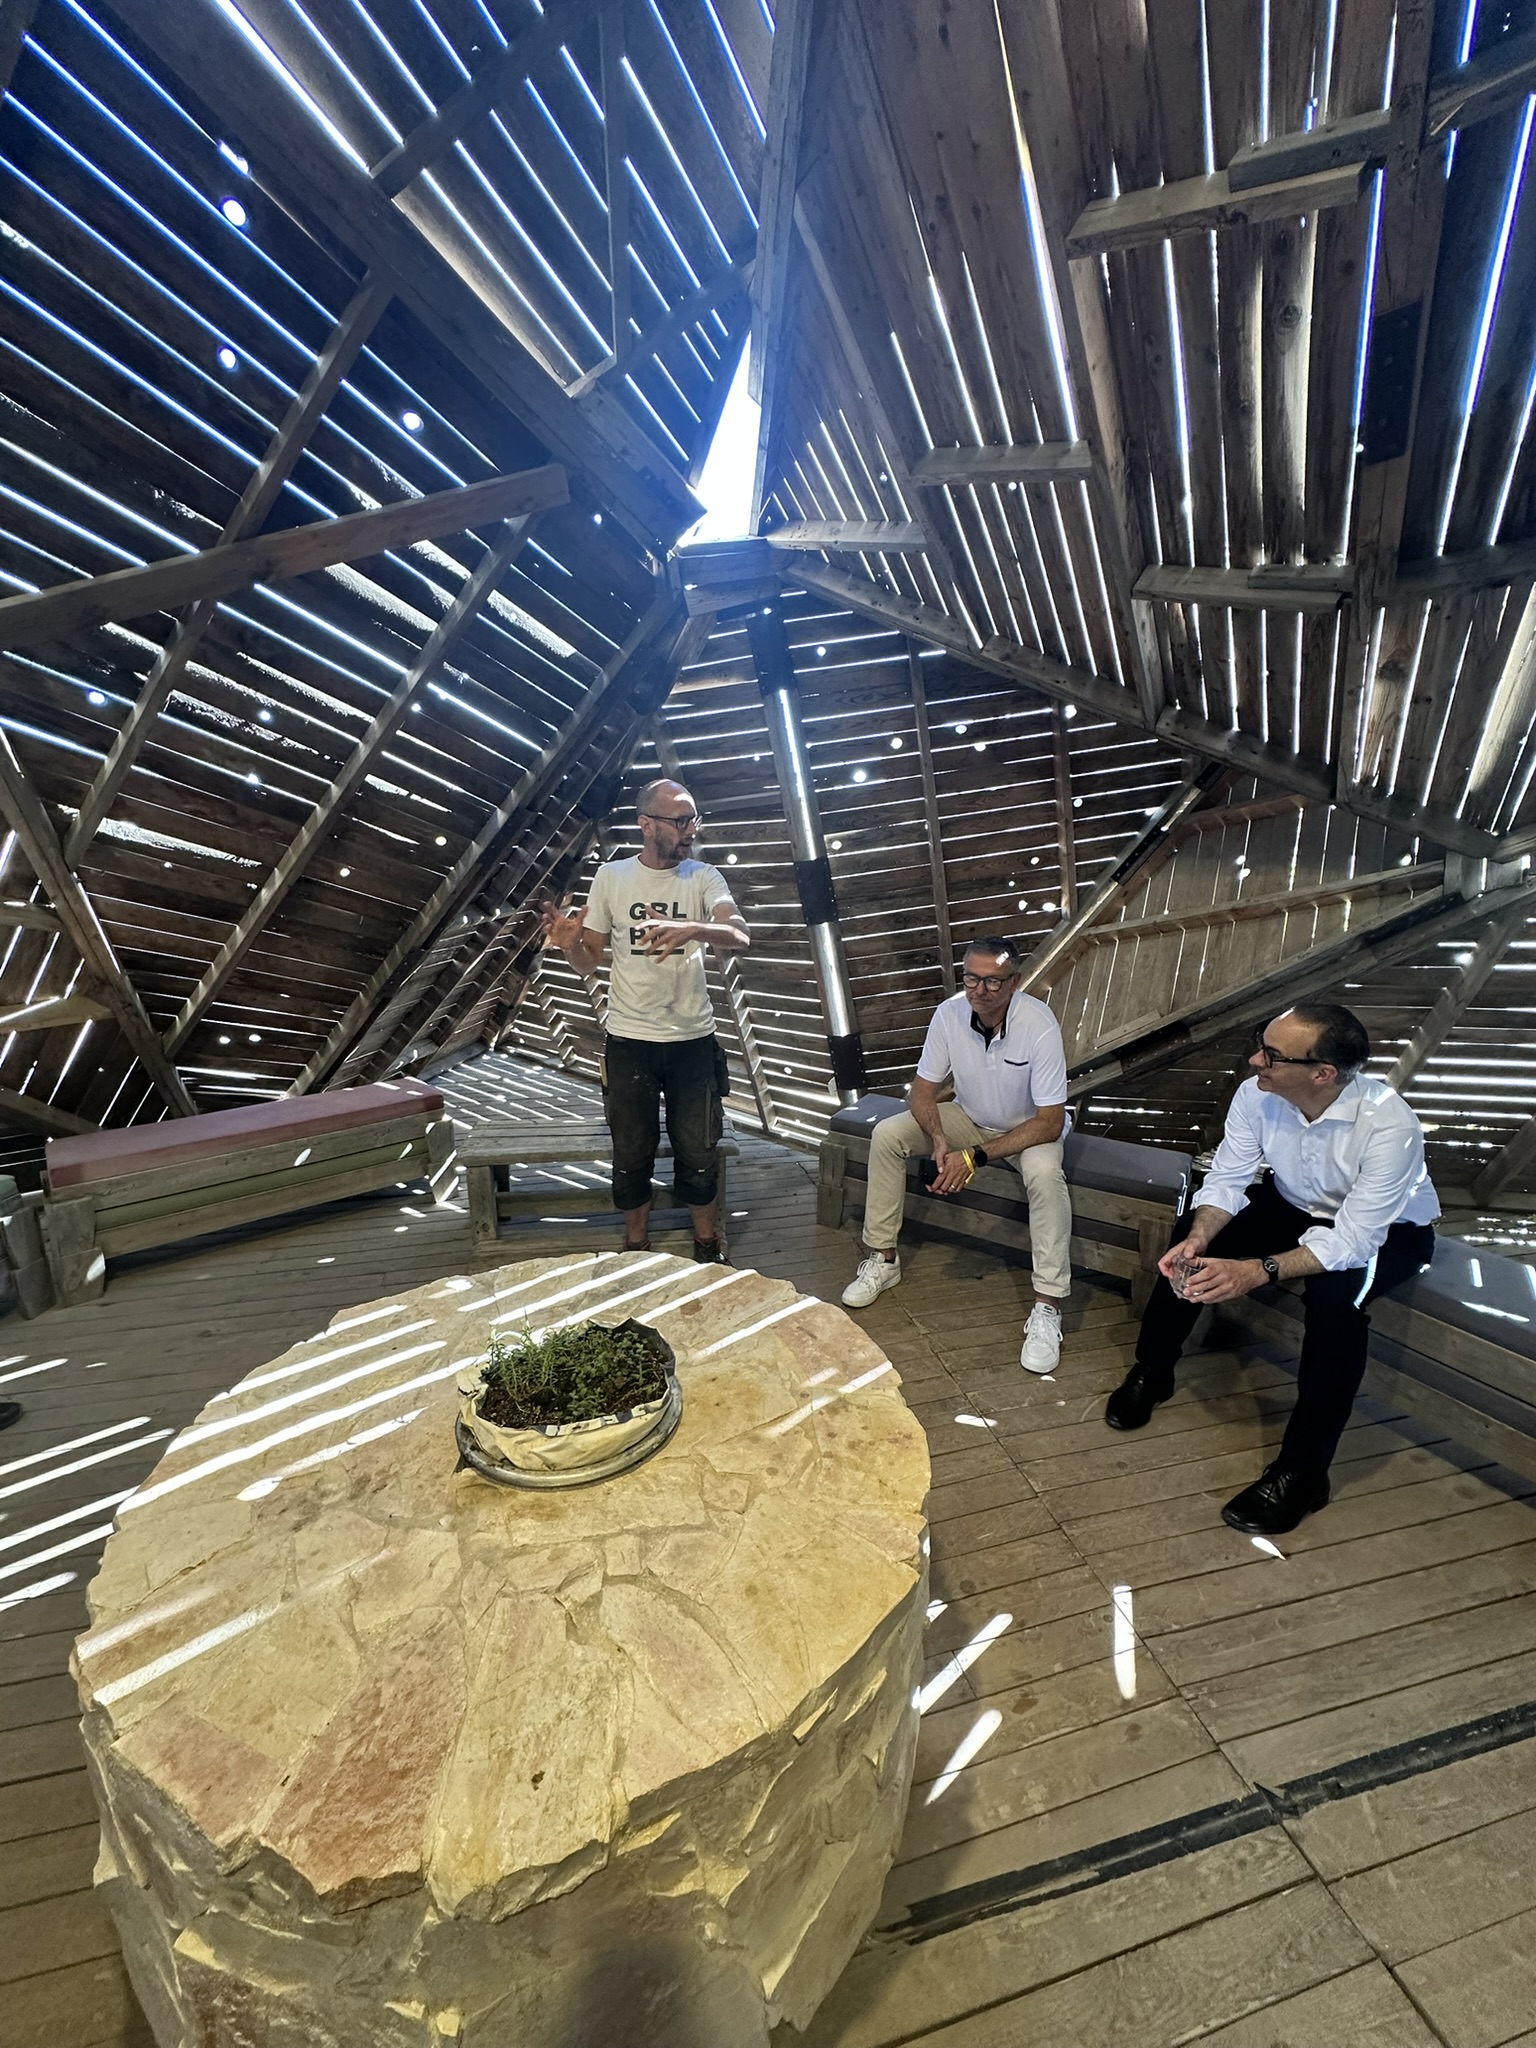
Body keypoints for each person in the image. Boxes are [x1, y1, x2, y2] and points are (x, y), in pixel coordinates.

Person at [1104, 1001, 1439, 1536]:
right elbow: (1229, 1178)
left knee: (1336, 1308)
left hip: (1388, 1231)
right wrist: (1198, 1237)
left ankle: (1303, 1475)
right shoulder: (1256, 1095)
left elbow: (1354, 1240)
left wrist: (1256, 1271)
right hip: (1293, 1204)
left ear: (1322, 1074)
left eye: (1272, 1055)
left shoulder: (1389, 1125)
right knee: (1191, 1239)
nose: (1255, 1060)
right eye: (1261, 1044)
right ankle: (1154, 1368)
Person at [842, 936, 1073, 1373]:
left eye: (992, 981)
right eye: (971, 978)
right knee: (888, 1135)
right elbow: (923, 1090)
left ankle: (1048, 1304)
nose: (979, 990)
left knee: (1045, 1176)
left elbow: (1050, 1122)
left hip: (1028, 1129)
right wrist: (940, 1140)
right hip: (969, 1116)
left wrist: (975, 1157)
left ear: (1015, 982)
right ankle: (883, 1259)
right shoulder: (949, 1014)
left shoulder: (1039, 1025)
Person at [541, 779, 748, 1262]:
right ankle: (635, 1244)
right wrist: (570, 943)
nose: (690, 830)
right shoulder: (612, 878)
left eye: (693, 820)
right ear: (646, 824)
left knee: (698, 1150)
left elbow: (739, 933)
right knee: (631, 1151)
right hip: (629, 1039)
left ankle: (706, 1244)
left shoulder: (703, 876)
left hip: (693, 1040)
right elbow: (589, 962)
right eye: (680, 821)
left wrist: (691, 927)